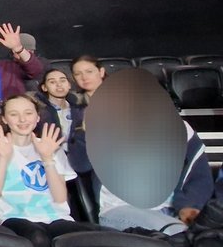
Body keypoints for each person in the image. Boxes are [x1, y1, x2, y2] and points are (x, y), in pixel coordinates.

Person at [68, 56, 219, 233]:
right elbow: (81, 166)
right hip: (121, 209)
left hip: (173, 208)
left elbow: (200, 176)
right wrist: (85, 133)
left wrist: (189, 204)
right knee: (176, 232)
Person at [0, 95, 96, 247]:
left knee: (86, 238)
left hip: (56, 217)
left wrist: (47, 158)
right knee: (38, 238)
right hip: (14, 217)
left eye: (28, 113)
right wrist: (3, 158)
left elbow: (60, 197)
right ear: (4, 119)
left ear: (37, 117)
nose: (22, 119)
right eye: (14, 114)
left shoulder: (50, 146)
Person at [35, 68, 78, 151]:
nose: (59, 84)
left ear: (69, 85)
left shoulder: (79, 109)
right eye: (52, 82)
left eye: (62, 81)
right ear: (44, 87)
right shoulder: (40, 112)